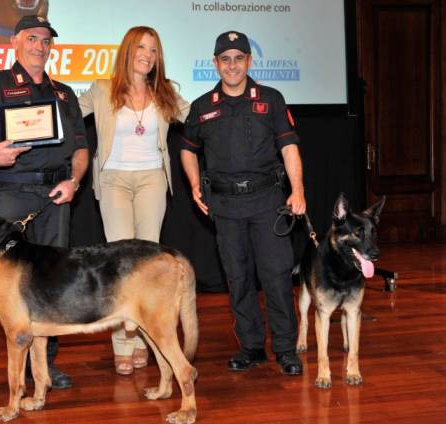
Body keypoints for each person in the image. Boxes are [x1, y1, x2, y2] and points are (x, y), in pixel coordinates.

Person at [0, 15, 89, 398]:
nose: (39, 46)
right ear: (15, 42)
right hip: (10, 193)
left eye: (46, 40)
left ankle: (44, 362)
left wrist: (75, 181)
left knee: (52, 281)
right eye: (32, 38)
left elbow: (81, 148)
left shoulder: (64, 94)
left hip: (55, 196)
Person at [180, 30, 305, 376]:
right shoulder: (203, 106)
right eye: (225, 59)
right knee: (238, 279)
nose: (232, 66)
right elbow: (188, 148)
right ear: (215, 64)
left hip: (268, 202)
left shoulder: (271, 99)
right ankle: (251, 347)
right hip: (225, 207)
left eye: (239, 58)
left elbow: (289, 146)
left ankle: (285, 348)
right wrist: (194, 184)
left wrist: (298, 190)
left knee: (277, 277)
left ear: (249, 61)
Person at [78, 26, 190, 376]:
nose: (147, 54)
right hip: (112, 181)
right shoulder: (101, 89)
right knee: (120, 264)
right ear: (128, 50)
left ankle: (144, 341)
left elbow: (200, 119)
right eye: (141, 47)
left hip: (152, 181)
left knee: (146, 266)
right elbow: (64, 113)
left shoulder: (167, 92)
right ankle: (122, 344)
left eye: (154, 50)